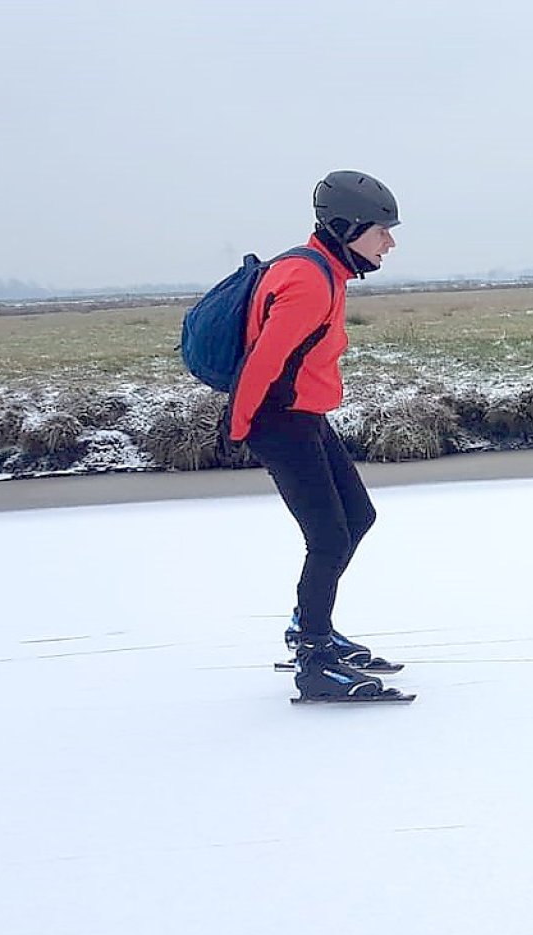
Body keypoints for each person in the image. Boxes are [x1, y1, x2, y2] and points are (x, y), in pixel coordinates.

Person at [229, 170, 401, 701]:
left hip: (303, 417)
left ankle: (311, 626)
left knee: (357, 518)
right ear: (345, 227)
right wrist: (238, 428)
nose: (390, 243)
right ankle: (314, 656)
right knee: (328, 537)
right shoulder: (309, 281)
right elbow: (263, 362)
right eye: (381, 231)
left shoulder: (322, 271)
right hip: (280, 422)